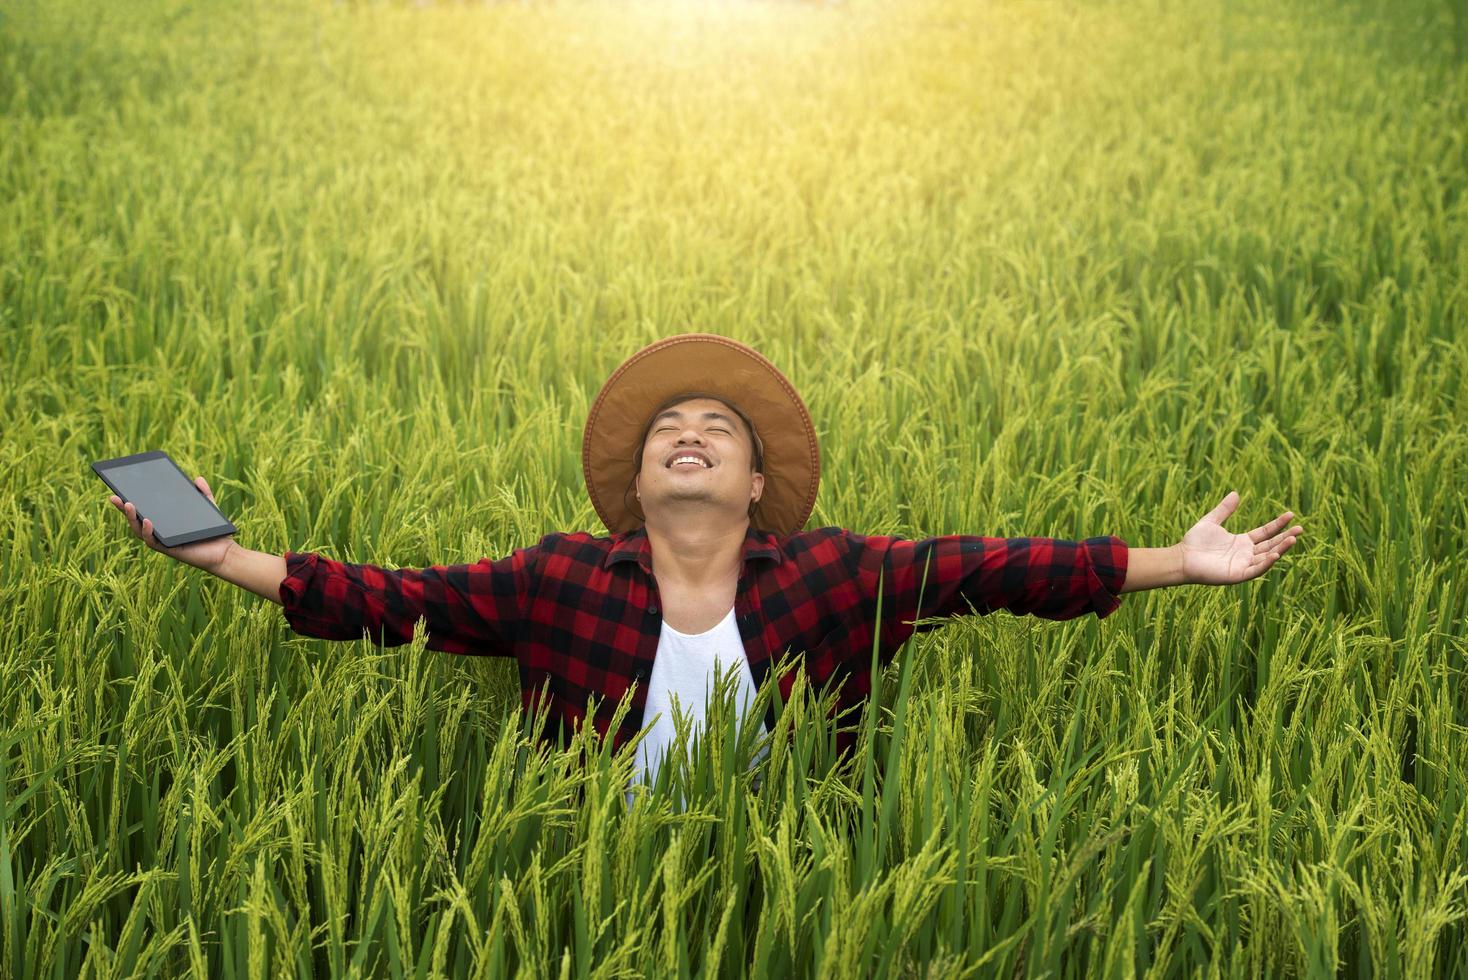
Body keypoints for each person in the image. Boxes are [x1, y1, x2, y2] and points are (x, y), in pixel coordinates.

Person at [107, 333, 1303, 792]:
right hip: (580, 883)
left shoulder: (834, 574)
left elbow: (998, 566)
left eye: (717, 429)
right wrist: (218, 556)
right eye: (665, 430)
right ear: (635, 489)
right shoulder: (558, 578)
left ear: (750, 486)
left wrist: (1177, 560)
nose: (689, 432)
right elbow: (387, 599)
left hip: (791, 881)